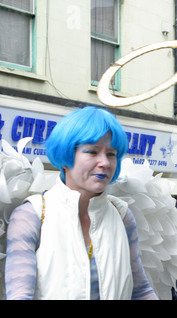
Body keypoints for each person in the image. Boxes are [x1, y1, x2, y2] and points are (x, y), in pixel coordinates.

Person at [5, 106, 158, 300]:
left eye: (111, 154)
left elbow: (141, 290)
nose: (105, 162)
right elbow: (20, 295)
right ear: (66, 155)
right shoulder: (32, 214)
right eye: (92, 152)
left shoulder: (122, 215)